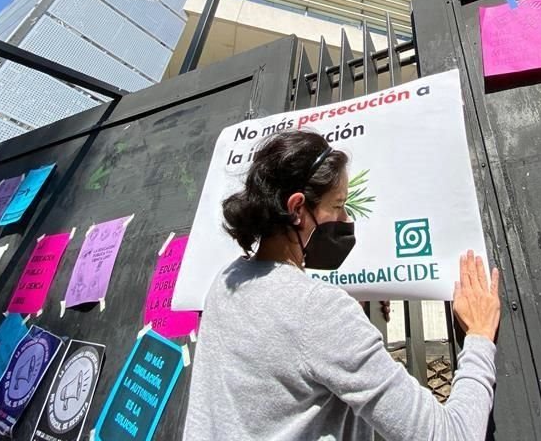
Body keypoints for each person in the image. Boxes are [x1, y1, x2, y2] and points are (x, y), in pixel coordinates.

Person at [183, 130, 500, 441]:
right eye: (337, 205)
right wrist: (480, 338)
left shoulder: (227, 281)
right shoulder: (319, 311)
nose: (347, 218)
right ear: (296, 209)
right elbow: (451, 434)